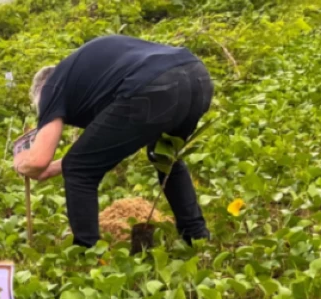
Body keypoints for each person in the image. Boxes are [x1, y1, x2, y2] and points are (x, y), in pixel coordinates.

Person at [14, 35, 214, 247]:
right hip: (197, 77)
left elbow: (37, 161)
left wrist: (21, 163)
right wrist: (54, 168)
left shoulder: (52, 87)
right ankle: (197, 238)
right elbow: (103, 146)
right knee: (166, 158)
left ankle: (87, 253)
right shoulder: (89, 77)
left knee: (80, 169)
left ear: (40, 92)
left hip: (151, 85)